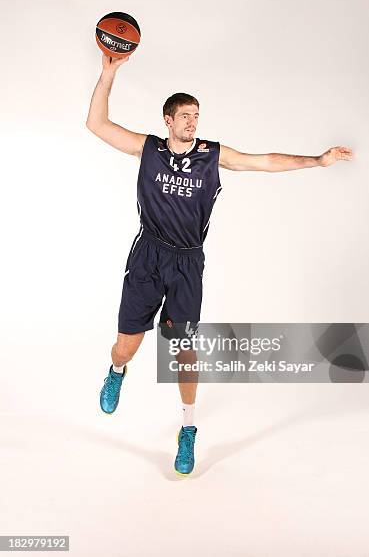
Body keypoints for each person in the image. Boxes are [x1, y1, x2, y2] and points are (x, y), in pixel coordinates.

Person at [86, 54, 353, 475]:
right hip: (148, 255)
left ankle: (188, 430)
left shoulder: (213, 156)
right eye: (185, 116)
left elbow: (264, 160)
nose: (192, 123)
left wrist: (317, 161)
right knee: (128, 344)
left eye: (197, 116)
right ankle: (117, 371)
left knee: (184, 352)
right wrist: (109, 72)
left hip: (188, 264)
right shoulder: (150, 149)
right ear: (168, 120)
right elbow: (98, 125)